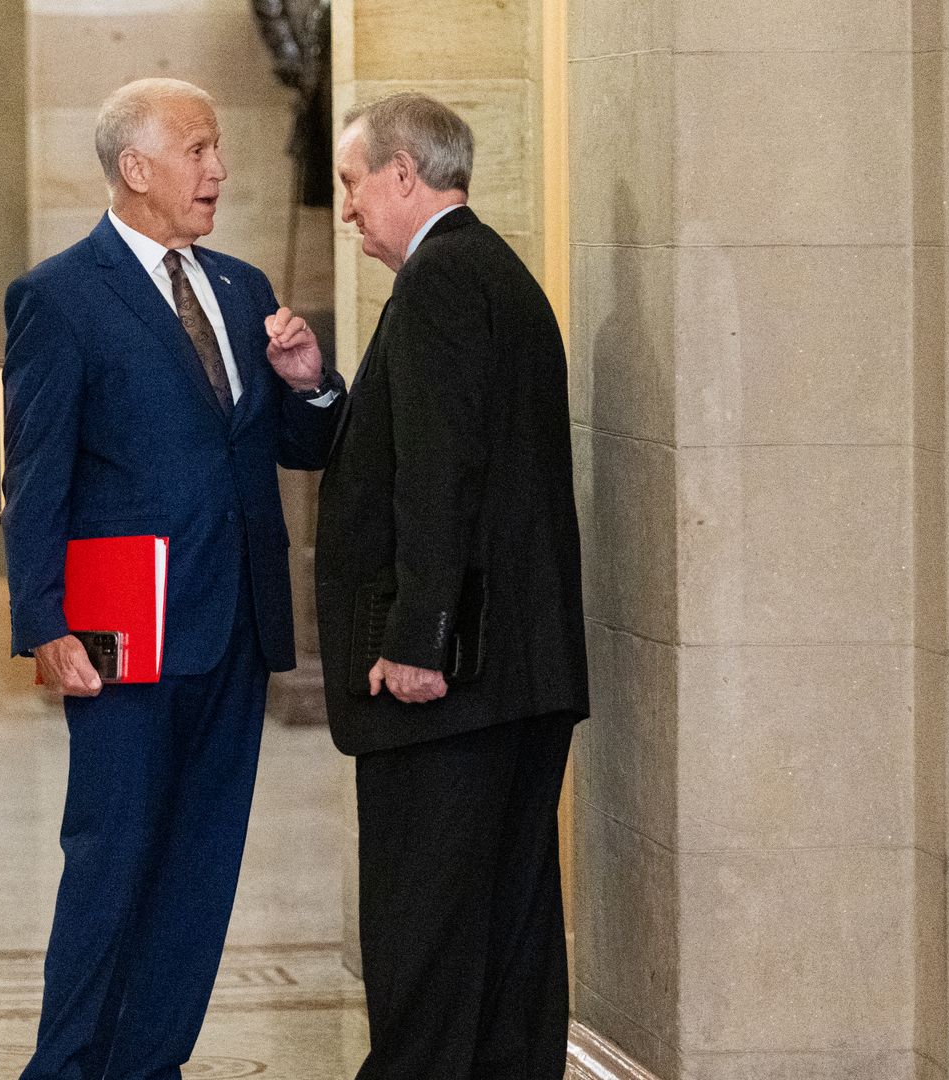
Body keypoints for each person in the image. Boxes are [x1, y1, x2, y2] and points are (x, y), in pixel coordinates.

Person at [0, 76, 344, 1080]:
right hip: (123, 637)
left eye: (217, 149)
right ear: (135, 168)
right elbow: (40, 475)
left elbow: (299, 443)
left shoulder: (241, 288)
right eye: (196, 150)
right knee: (111, 862)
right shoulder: (58, 298)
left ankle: (151, 1065)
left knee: (199, 873)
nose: (219, 170)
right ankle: (65, 1070)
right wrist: (42, 621)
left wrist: (311, 380)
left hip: (236, 627)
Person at [315, 92, 588, 1079]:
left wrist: (414, 640)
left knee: (424, 937)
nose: (346, 207)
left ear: (401, 174)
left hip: (452, 685)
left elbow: (441, 470)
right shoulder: (496, 273)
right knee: (504, 936)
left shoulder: (439, 281)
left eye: (352, 183)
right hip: (517, 675)